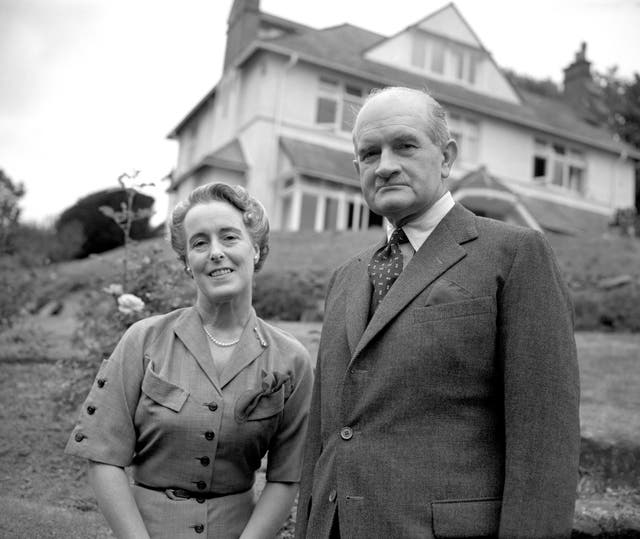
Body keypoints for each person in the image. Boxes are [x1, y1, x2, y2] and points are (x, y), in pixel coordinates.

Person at [295, 87, 580, 538]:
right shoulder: (346, 278)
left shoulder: (515, 255)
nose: (384, 165)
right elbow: (326, 435)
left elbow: (543, 441)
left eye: (404, 145)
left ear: (446, 157)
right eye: (369, 154)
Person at [66, 182, 313, 539]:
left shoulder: (292, 360)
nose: (215, 252)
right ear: (186, 263)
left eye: (229, 237)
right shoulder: (144, 340)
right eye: (199, 243)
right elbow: (103, 455)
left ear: (256, 249)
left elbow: (287, 476)